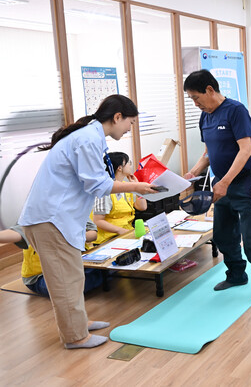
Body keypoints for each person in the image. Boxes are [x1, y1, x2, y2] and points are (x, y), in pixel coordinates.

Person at [18, 94, 157, 349]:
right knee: (65, 280)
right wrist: (137, 186)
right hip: (50, 219)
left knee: (74, 276)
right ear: (117, 117)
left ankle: (79, 323)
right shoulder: (87, 139)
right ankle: (75, 337)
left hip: (56, 219)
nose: (130, 128)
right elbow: (97, 185)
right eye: (130, 122)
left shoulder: (90, 137)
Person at [183, 70, 251, 309]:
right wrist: (192, 173)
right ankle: (236, 275)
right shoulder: (205, 117)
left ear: (210, 90)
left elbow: (245, 150)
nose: (195, 103)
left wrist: (224, 182)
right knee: (223, 236)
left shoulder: (236, 111)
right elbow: (208, 153)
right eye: (191, 99)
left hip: (246, 182)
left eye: (196, 98)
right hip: (221, 184)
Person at [0, 222, 103, 296]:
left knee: (102, 271)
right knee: (74, 289)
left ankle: (98, 276)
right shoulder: (35, 217)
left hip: (74, 266)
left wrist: (70, 237)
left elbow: (93, 233)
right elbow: (17, 233)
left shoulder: (74, 209)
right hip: (41, 276)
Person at [91, 152, 147, 245]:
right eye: (129, 163)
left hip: (126, 233)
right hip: (109, 239)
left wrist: (137, 186)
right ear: (120, 168)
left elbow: (142, 207)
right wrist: (121, 231)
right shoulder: (106, 190)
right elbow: (98, 220)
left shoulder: (125, 186)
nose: (130, 165)